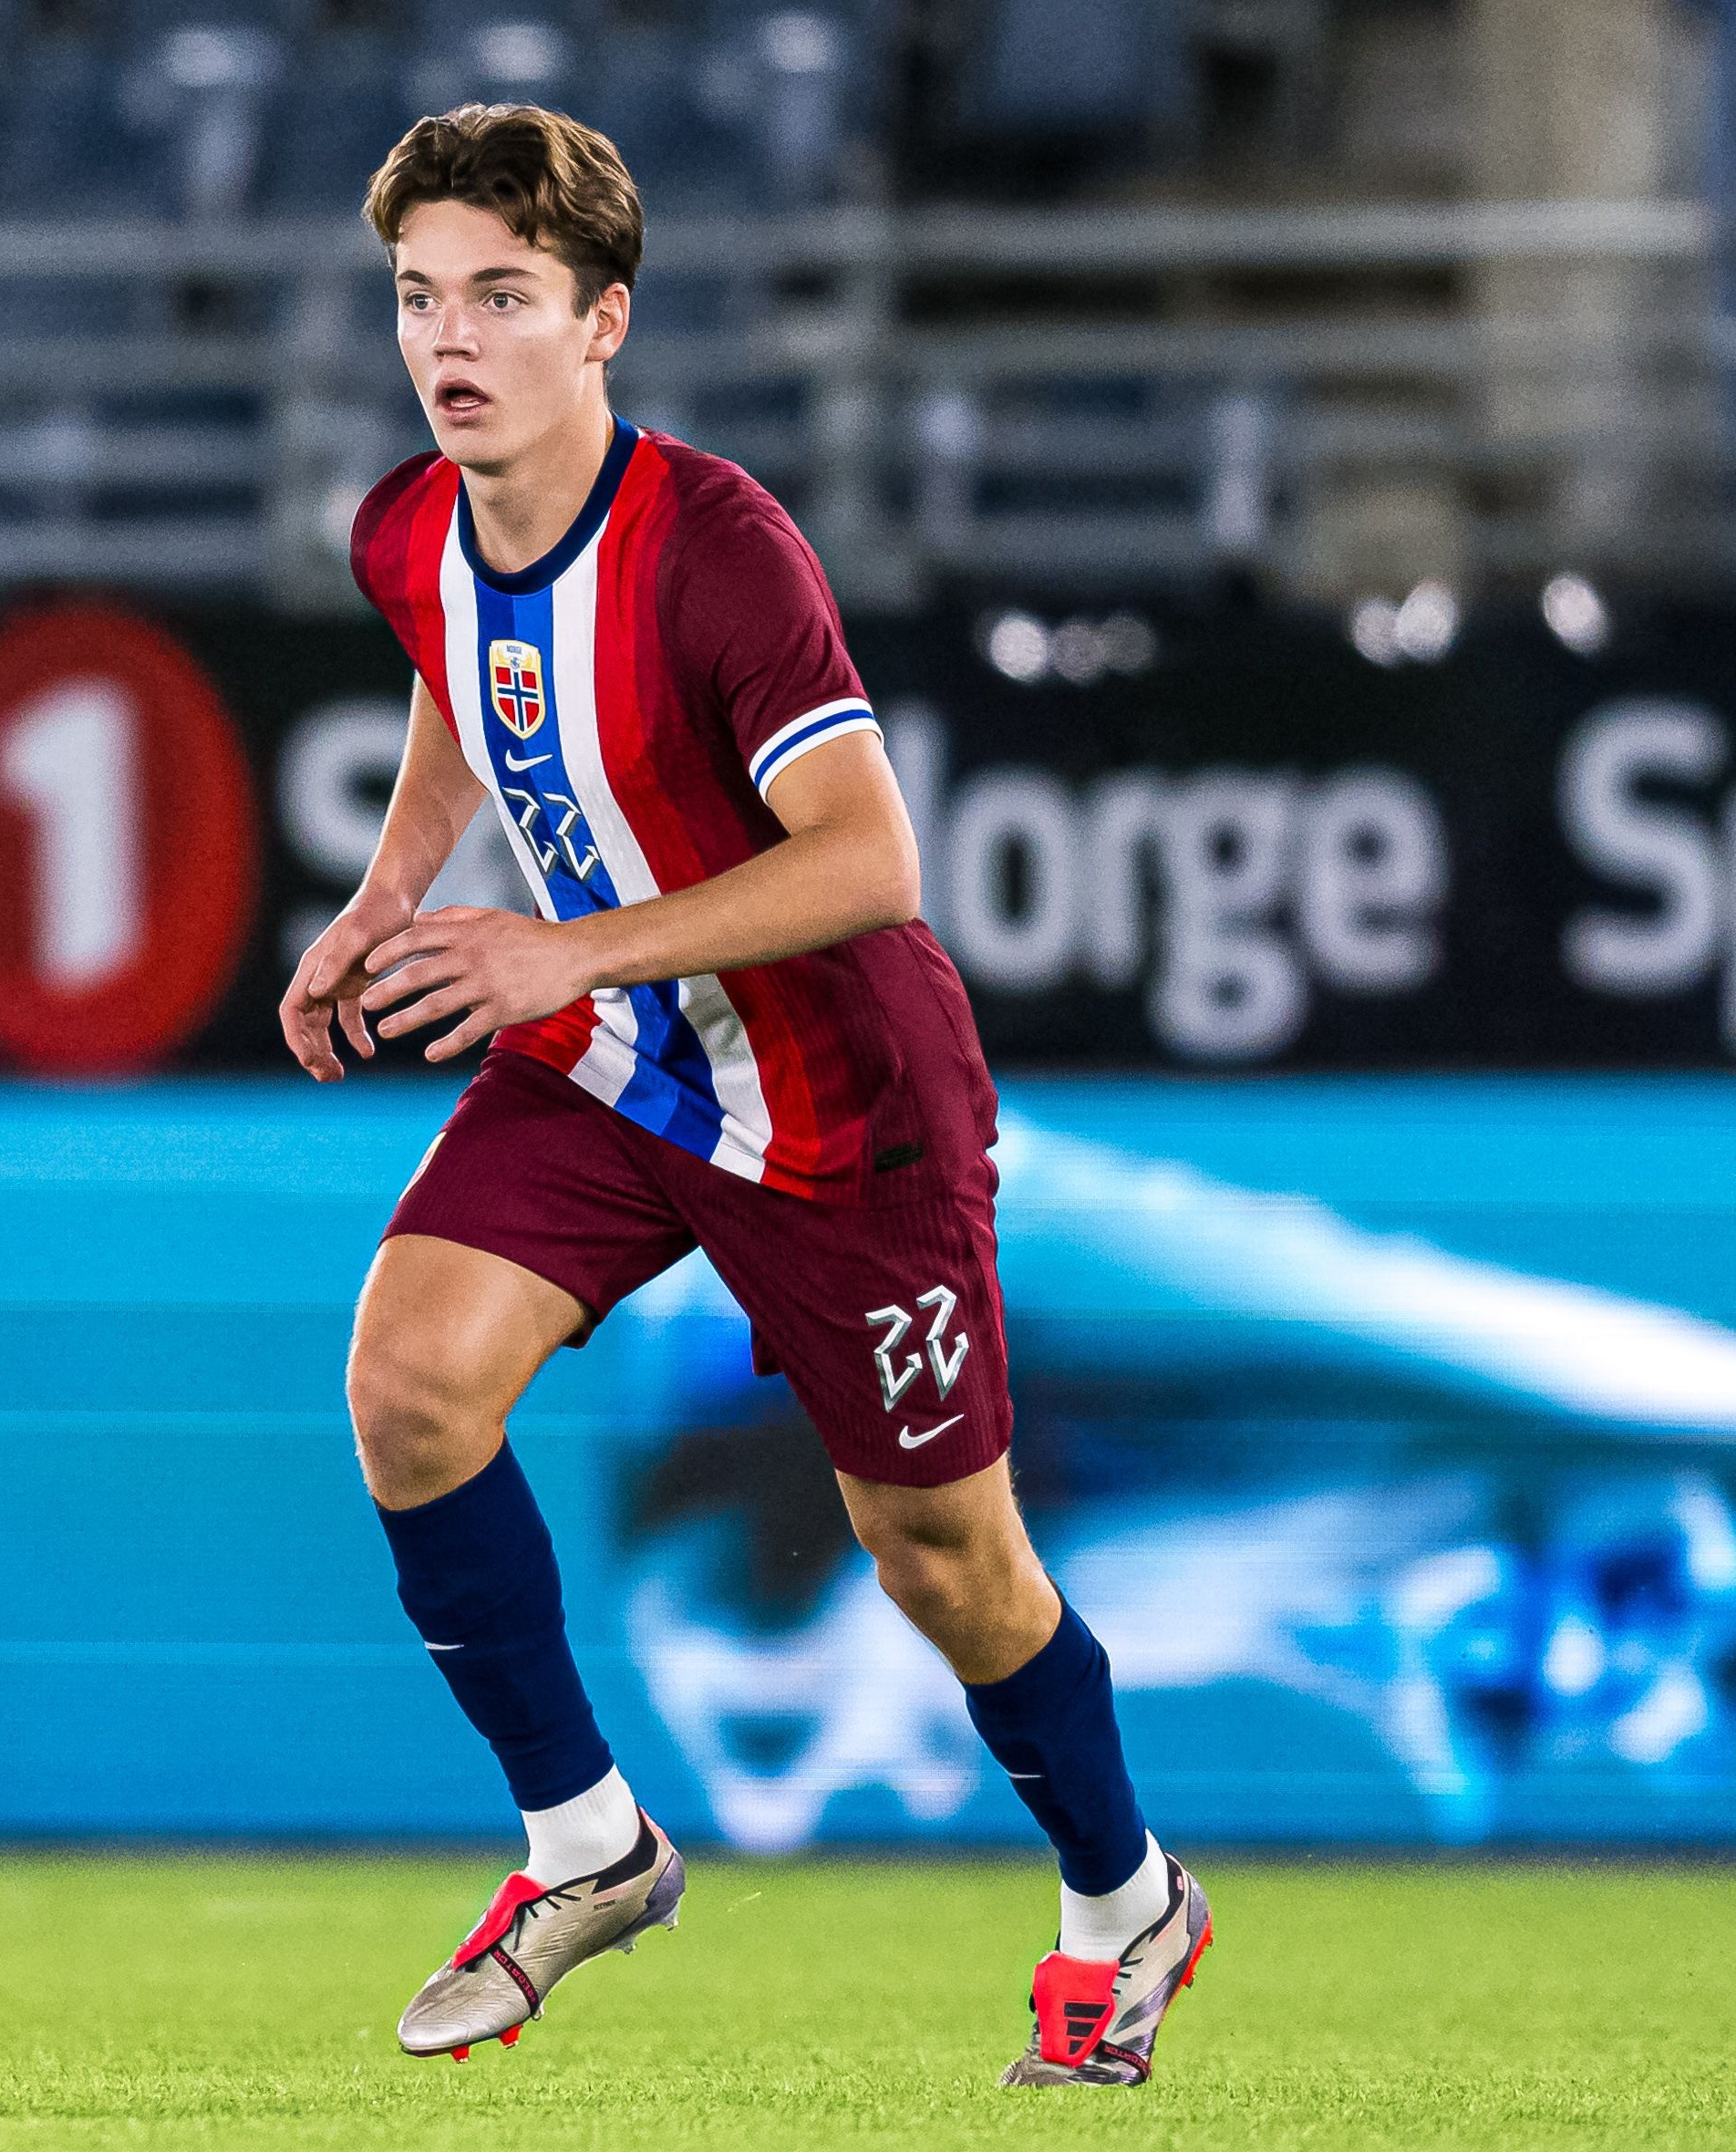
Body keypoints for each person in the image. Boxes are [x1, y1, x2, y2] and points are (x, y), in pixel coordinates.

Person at [277, 105, 1212, 2089]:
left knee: (940, 1557)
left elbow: (874, 860)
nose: (451, 341)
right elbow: (456, 674)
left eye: (502, 298)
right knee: (410, 1383)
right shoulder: (406, 526)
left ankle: (1126, 1898)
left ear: (603, 322)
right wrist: (390, 892)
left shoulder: (716, 551)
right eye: (420, 298)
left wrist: (563, 952)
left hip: (839, 1097)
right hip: (626, 1060)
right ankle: (586, 1848)